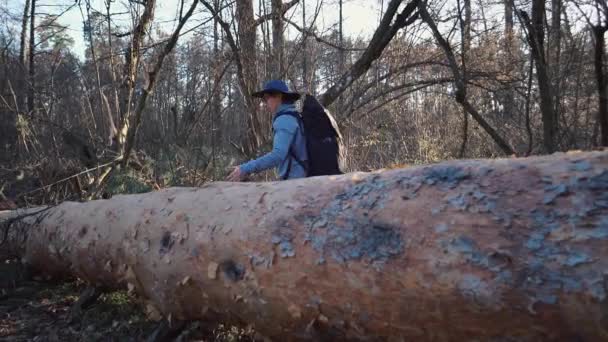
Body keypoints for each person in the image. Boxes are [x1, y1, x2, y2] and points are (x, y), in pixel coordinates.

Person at [226, 80, 308, 181]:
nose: (264, 103)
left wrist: (245, 169)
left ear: (279, 96)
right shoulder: (293, 115)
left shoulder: (284, 120)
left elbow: (277, 156)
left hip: (295, 182)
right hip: (300, 178)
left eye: (266, 98)